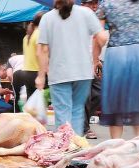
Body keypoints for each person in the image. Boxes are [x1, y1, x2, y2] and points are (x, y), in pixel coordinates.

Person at [36, 0, 104, 135]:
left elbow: (42, 50)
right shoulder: (86, 13)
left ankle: (64, 147)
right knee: (78, 110)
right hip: (83, 72)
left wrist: (41, 76)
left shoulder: (47, 18)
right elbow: (101, 38)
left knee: (62, 111)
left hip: (59, 72)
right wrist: (95, 58)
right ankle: (76, 146)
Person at [96, 0, 139, 138]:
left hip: (117, 54)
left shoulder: (107, 4)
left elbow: (100, 38)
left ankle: (115, 145)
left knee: (115, 102)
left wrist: (95, 59)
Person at [81, 0, 101, 139]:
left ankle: (82, 123)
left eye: (96, 3)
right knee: (86, 96)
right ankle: (85, 128)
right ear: (83, 4)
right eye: (91, 3)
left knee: (99, 92)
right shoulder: (78, 18)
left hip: (93, 62)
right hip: (81, 63)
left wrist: (96, 60)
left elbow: (95, 41)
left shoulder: (95, 19)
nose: (94, 6)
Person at [22, 12, 44, 106]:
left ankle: (31, 120)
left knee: (31, 102)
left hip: (27, 72)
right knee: (42, 102)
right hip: (36, 72)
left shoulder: (26, 37)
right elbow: (40, 54)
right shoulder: (39, 34)